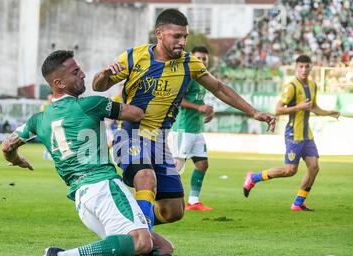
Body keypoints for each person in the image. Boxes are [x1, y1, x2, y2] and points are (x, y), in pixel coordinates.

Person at [1, 50, 174, 256]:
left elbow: (7, 145)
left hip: (82, 200)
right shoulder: (91, 104)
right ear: (58, 83)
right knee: (141, 241)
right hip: (104, 186)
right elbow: (137, 113)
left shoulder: (37, 121)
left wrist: (17, 159)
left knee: (162, 249)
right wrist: (129, 86)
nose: (83, 74)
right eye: (75, 72)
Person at [92, 9, 275, 230]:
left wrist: (253, 112)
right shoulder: (134, 56)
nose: (182, 42)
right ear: (159, 34)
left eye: (184, 37)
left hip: (159, 141)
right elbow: (98, 86)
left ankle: (126, 227)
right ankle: (139, 241)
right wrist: (104, 75)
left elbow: (219, 88)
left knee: (174, 210)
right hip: (130, 135)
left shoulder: (190, 63)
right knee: (146, 177)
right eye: (176, 36)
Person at [243, 55, 340, 211]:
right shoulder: (291, 86)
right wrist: (298, 107)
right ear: (296, 68)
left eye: (307, 66)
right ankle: (253, 177)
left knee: (314, 167)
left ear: (311, 68)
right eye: (301, 67)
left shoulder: (312, 84)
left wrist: (329, 113)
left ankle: (298, 203)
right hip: (293, 135)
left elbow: (313, 107)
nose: (304, 70)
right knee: (289, 171)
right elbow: (278, 109)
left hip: (307, 135)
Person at [171, 46, 215, 211]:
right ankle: (161, 198)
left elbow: (198, 102)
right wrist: (198, 108)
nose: (202, 61)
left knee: (202, 164)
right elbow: (177, 100)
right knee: (176, 166)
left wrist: (208, 110)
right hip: (183, 128)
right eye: (199, 58)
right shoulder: (187, 77)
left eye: (205, 59)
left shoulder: (203, 78)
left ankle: (194, 201)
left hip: (196, 129)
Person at [40, 92, 53, 160]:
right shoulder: (45, 105)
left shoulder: (55, 104)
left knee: (52, 140)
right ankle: (47, 154)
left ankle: (48, 154)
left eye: (52, 96)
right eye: (50, 96)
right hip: (47, 125)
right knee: (49, 139)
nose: (51, 98)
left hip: (53, 125)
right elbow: (41, 115)